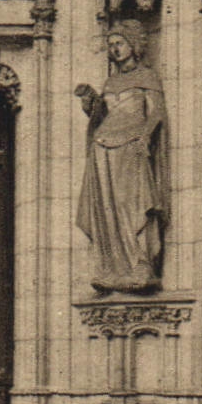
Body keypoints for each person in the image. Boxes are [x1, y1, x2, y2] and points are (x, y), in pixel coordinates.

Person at [75, 21, 168, 294]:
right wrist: (91, 104)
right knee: (108, 208)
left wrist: (145, 137)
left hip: (131, 147)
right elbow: (102, 117)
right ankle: (111, 266)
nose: (114, 49)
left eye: (119, 44)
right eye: (111, 45)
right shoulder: (111, 82)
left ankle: (140, 263)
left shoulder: (147, 77)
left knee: (133, 204)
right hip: (103, 147)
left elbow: (156, 112)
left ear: (133, 46)